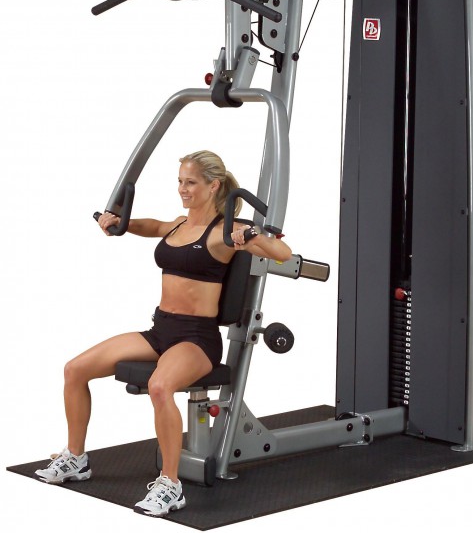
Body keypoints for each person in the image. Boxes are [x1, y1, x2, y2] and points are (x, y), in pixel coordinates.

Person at [34, 150, 292, 517]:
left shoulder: (224, 231)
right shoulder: (177, 224)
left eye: (191, 182)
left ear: (213, 186)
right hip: (161, 330)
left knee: (159, 386)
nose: (183, 189)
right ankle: (75, 458)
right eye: (180, 182)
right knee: (75, 369)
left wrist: (252, 234)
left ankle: (170, 485)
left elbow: (282, 252)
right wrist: (120, 223)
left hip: (196, 339)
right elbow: (152, 226)